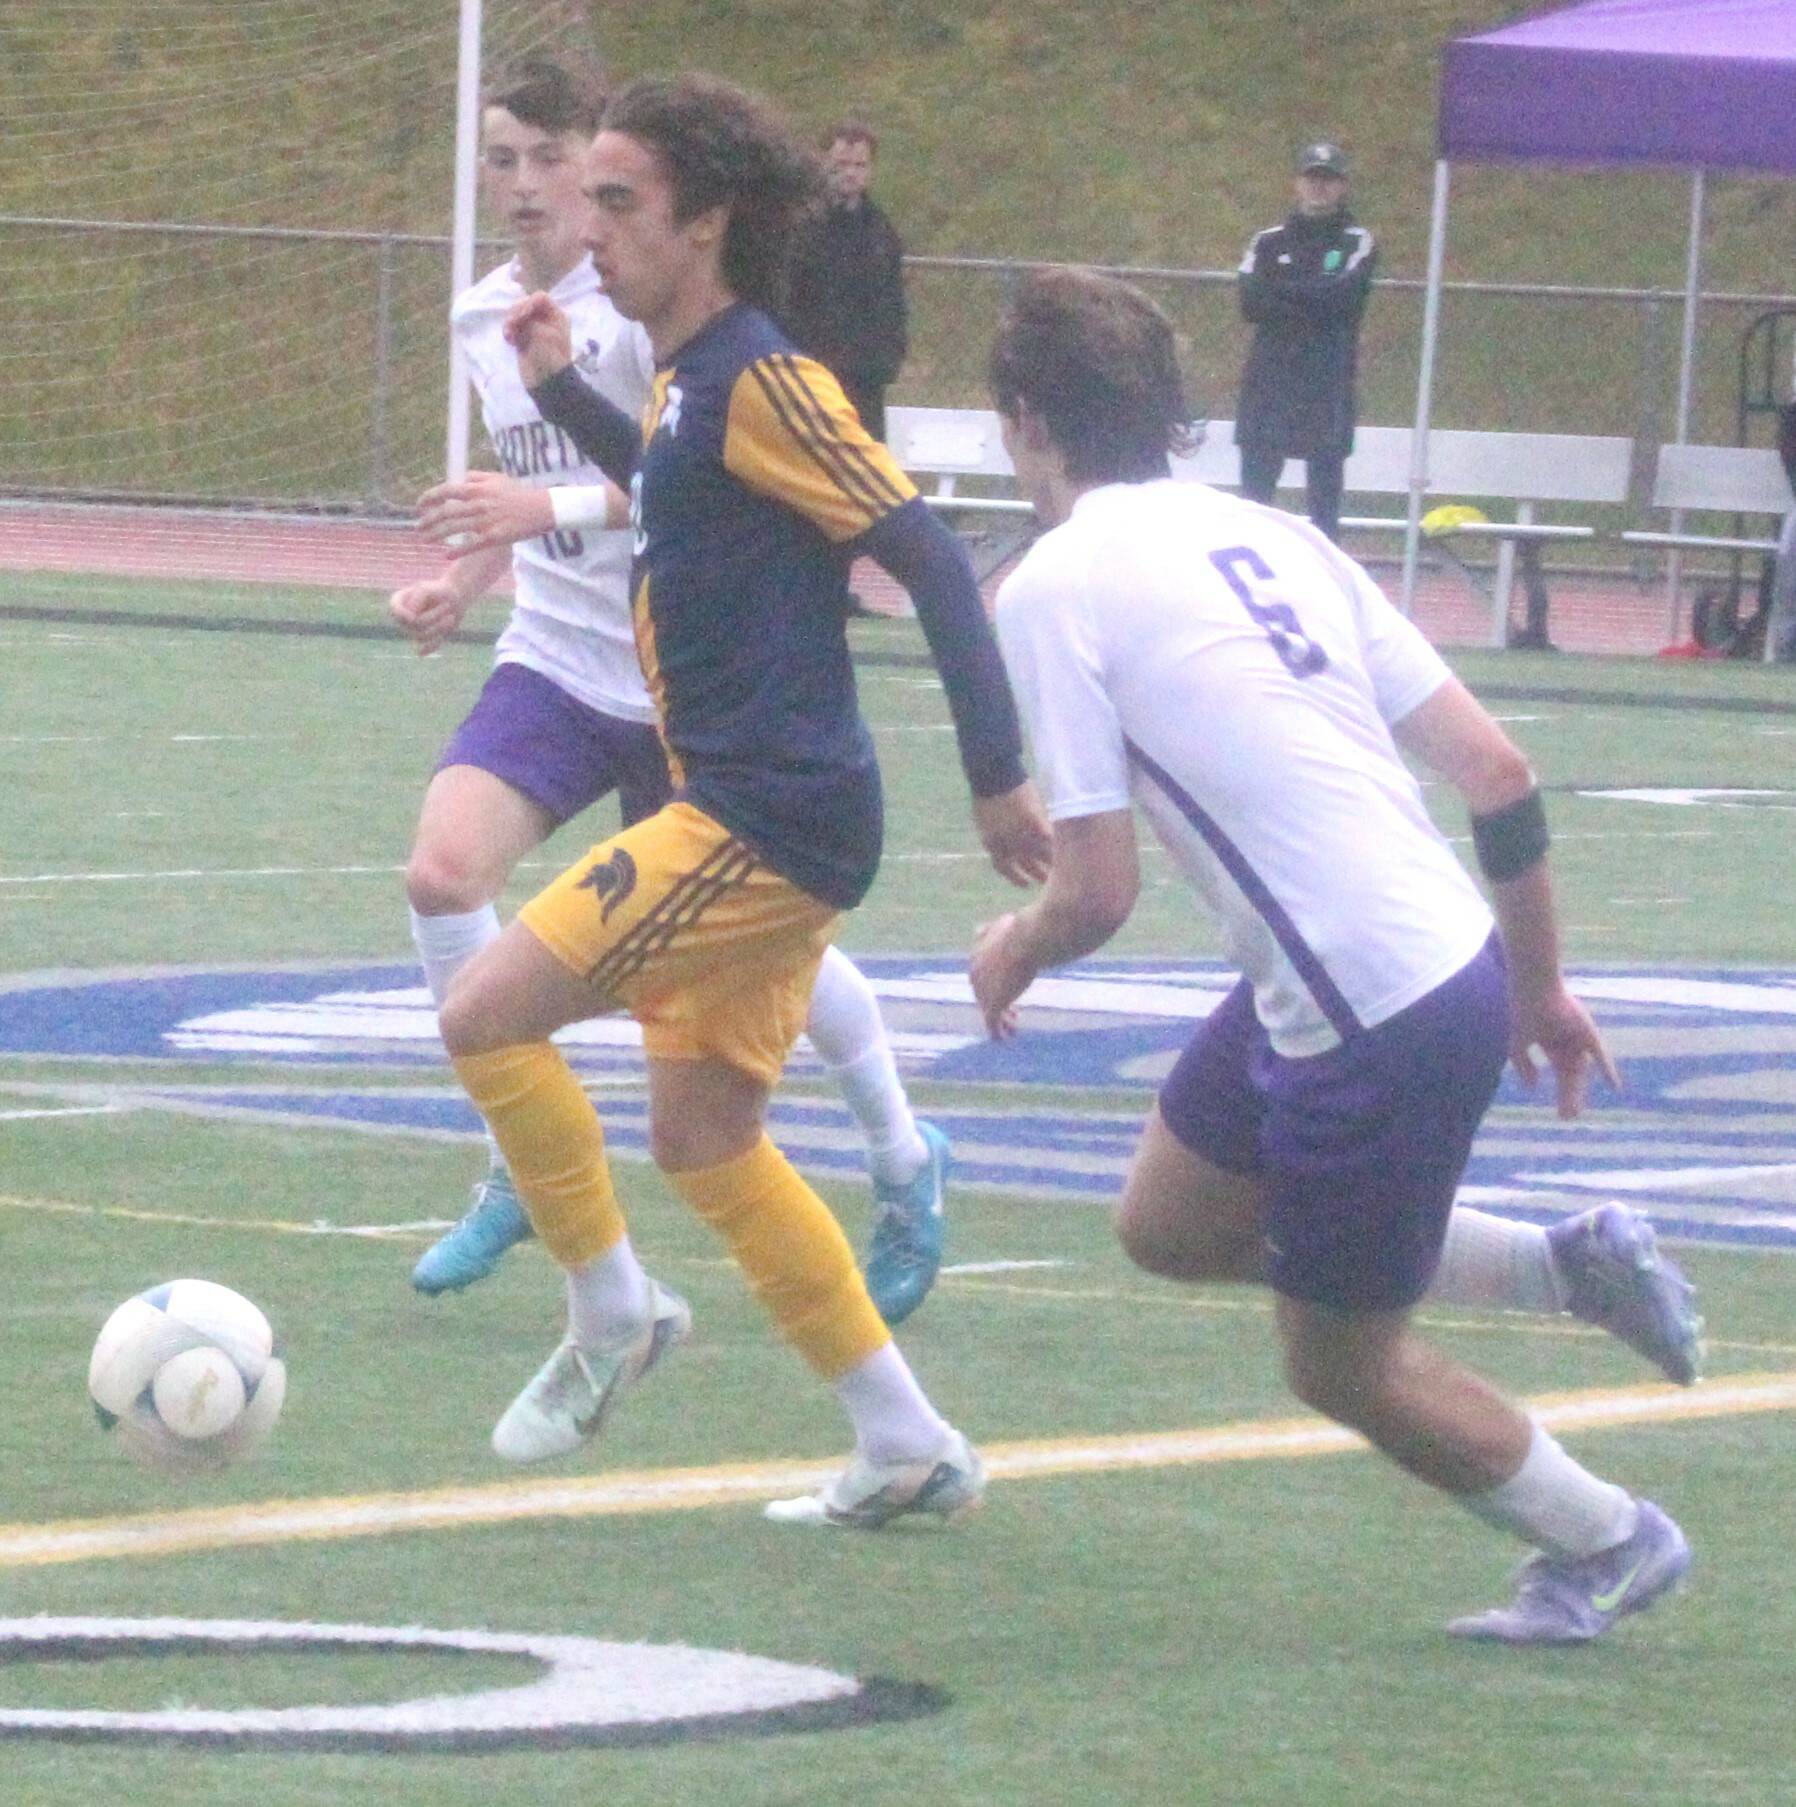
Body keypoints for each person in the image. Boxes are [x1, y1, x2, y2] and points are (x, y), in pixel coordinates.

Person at [971, 268, 1701, 1643]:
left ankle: (1607, 1536)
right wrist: (1536, 983)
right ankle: (1567, 1263)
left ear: (1025, 421)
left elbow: (1098, 886)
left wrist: (1012, 945)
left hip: (1366, 1007)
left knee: (1338, 1361)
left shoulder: (1051, 580)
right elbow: (1497, 770)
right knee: (1171, 1224)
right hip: (1420, 964)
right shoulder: (1274, 532)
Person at [427, 72, 1051, 1527]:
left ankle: (609, 1311)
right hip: (752, 809)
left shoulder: (765, 373)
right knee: (705, 1139)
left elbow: (935, 559)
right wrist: (562, 393)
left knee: (482, 1011)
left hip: (765, 821)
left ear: (706, 224)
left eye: (619, 200)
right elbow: (676, 486)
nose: (587, 226)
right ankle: (906, 1441)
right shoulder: (687, 376)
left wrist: (998, 773)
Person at [392, 58, 953, 1328]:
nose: (528, 188)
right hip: (553, 658)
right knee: (440, 876)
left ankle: (904, 1158)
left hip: (673, 681)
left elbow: (687, 485)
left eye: (551, 160)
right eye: (504, 161)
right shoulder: (488, 316)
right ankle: (516, 1163)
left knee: (762, 959)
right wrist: (467, 576)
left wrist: (545, 502)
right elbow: (518, 485)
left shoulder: (657, 303)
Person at [1233, 142, 1376, 543]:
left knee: (1324, 510)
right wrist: (1312, 295)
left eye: (1328, 180)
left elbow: (1343, 299)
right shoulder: (1267, 241)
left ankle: (1325, 585)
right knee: (1254, 501)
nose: (1319, 188)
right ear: (1297, 183)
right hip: (1269, 383)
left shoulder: (1356, 241)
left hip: (1325, 385)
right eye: (1312, 178)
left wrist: (1284, 293)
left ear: (1342, 186)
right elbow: (1251, 303)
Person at [779, 121, 907, 445]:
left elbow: (893, 303)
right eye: (841, 165)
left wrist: (888, 358)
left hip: (865, 378)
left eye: (860, 165)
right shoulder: (801, 228)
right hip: (812, 375)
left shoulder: (881, 232)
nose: (850, 173)